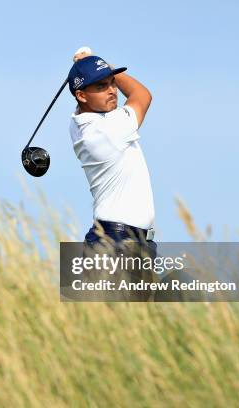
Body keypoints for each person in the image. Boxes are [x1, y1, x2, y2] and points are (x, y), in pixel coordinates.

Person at [68, 48, 157, 301]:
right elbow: (142, 95)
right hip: (116, 243)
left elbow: (83, 104)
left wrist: (92, 67)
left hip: (131, 243)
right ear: (81, 95)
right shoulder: (109, 130)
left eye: (111, 82)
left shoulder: (78, 123)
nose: (112, 90)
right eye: (101, 86)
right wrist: (106, 65)